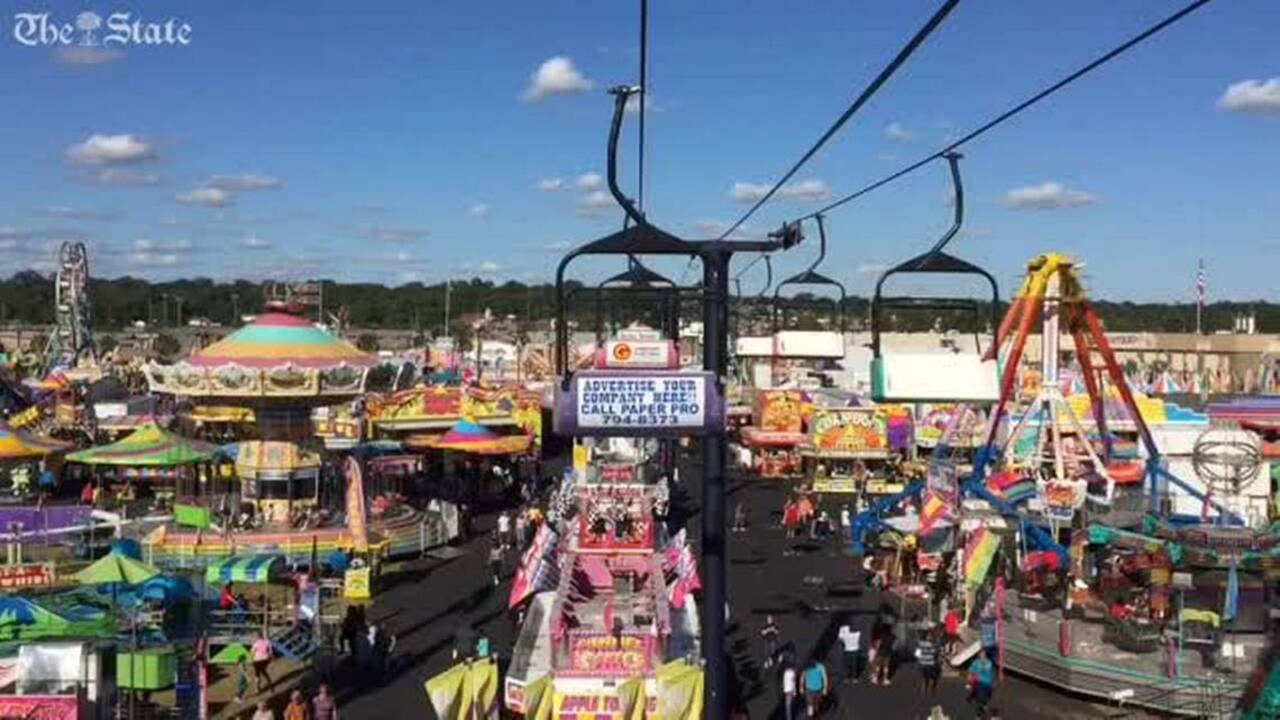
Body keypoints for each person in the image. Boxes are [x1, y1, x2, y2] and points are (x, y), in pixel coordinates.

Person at [967, 652, 995, 717]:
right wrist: (970, 677)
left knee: (985, 696)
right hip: (980, 683)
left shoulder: (989, 663)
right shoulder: (976, 662)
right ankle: (980, 710)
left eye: (983, 655)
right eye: (981, 655)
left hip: (987, 684)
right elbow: (971, 671)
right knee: (981, 698)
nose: (982, 656)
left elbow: (986, 671)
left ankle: (981, 705)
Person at [916, 627, 941, 695]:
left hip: (923, 665)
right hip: (931, 664)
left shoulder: (920, 644)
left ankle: (924, 693)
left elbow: (917, 655)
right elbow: (936, 654)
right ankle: (932, 689)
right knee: (935, 677)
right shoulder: (934, 645)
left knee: (925, 679)